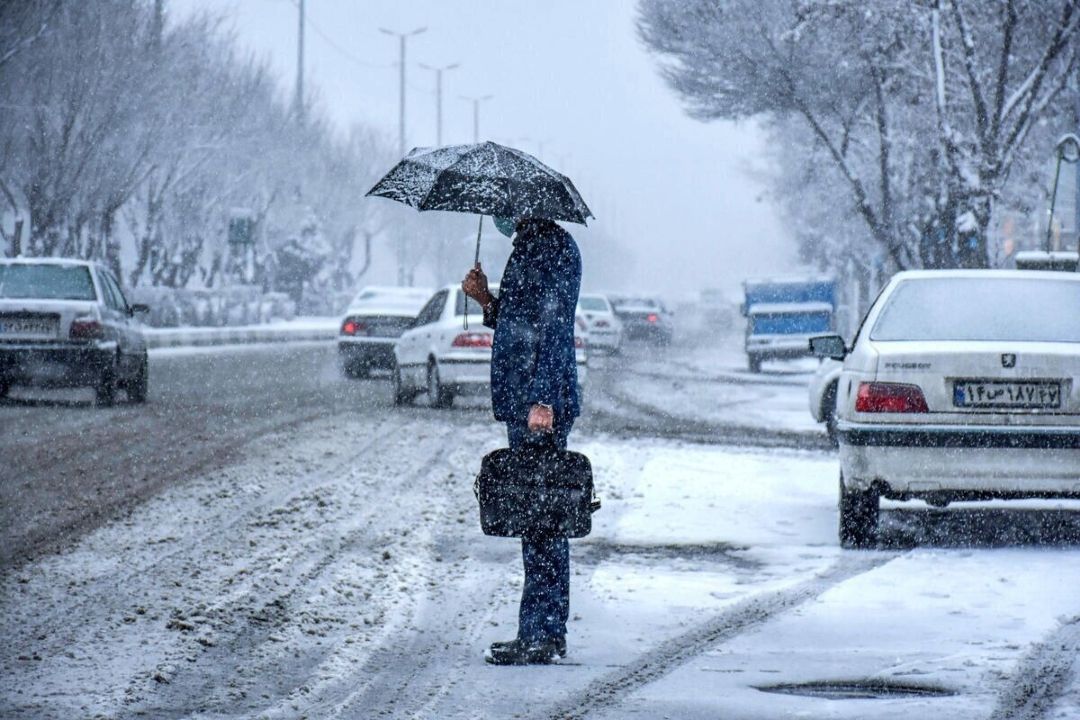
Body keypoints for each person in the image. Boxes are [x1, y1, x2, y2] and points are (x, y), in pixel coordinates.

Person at [462, 215, 582, 665]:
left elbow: (553, 327)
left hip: (538, 407)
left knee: (544, 519)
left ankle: (544, 633)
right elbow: (519, 322)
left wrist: (544, 400)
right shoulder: (530, 247)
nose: (499, 216)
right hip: (526, 402)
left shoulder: (552, 248)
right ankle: (538, 630)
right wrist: (485, 300)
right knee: (537, 518)